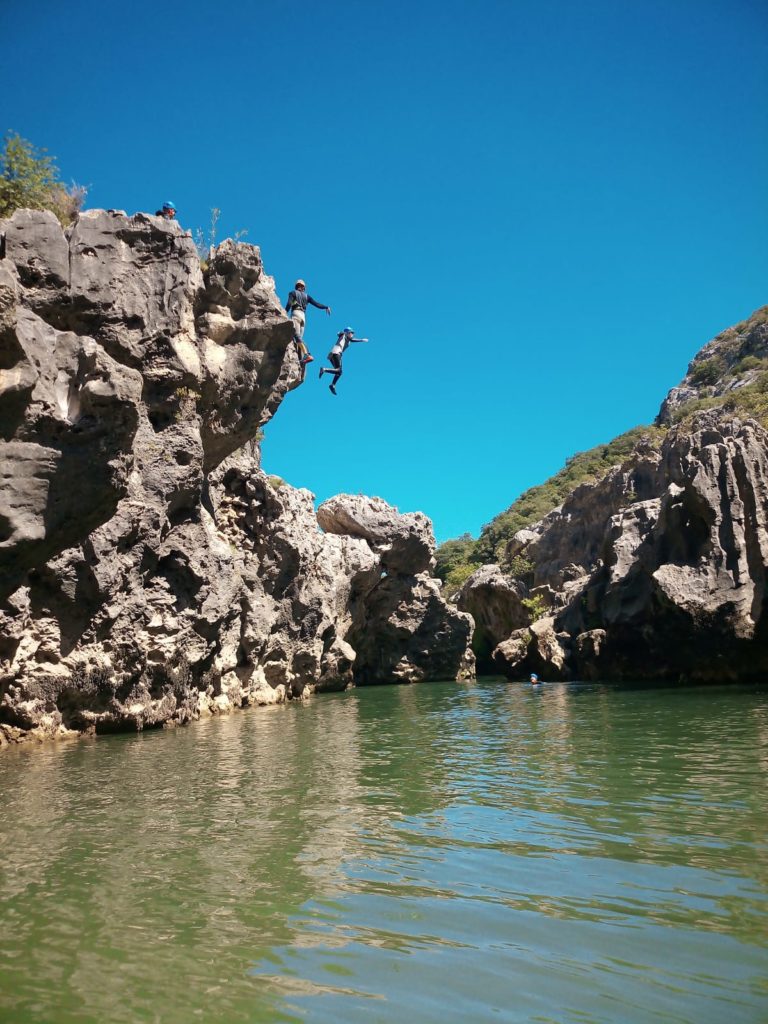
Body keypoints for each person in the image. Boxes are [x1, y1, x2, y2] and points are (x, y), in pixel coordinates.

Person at [285, 279, 331, 367]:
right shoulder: (307, 296)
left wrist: (284, 313)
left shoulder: (293, 293)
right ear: (304, 287)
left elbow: (289, 303)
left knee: (296, 336)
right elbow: (317, 304)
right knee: (299, 339)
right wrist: (326, 307)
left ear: (296, 286)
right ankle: (301, 358)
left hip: (296, 314)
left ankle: (307, 355)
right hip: (303, 317)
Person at [319, 328, 369, 395]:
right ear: (348, 332)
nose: (352, 334)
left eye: (353, 333)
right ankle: (324, 369)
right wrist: (361, 340)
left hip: (333, 355)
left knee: (339, 372)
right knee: (339, 370)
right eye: (351, 333)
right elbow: (344, 335)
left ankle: (332, 385)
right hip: (336, 352)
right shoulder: (345, 335)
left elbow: (348, 338)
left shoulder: (347, 338)